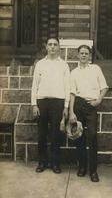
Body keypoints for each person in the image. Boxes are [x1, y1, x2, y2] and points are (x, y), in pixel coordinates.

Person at [69, 45, 108, 182]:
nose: (84, 55)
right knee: (79, 137)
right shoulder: (74, 72)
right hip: (78, 105)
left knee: (92, 137)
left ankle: (93, 171)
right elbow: (72, 93)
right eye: (81, 53)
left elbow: (104, 87)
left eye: (86, 53)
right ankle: (82, 168)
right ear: (78, 55)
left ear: (90, 55)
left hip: (91, 106)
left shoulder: (96, 69)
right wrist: (71, 111)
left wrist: (98, 101)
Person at [31, 38, 70, 173]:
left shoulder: (64, 65)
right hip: (42, 102)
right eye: (50, 44)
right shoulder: (40, 64)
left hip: (58, 103)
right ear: (46, 47)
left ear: (59, 47)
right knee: (41, 134)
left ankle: (55, 163)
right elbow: (34, 85)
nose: (52, 47)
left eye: (55, 44)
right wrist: (34, 104)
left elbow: (67, 86)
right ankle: (42, 162)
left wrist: (66, 106)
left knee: (56, 134)